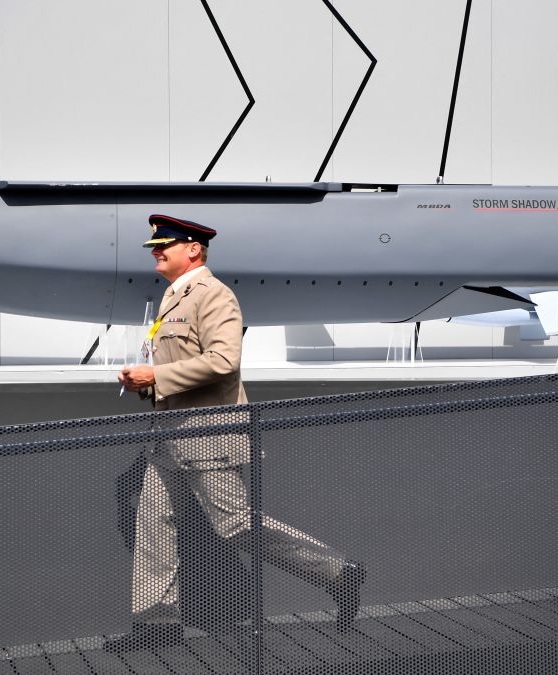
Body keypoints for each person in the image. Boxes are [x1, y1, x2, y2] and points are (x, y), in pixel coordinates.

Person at [107, 214, 365, 653]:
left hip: (209, 435)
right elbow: (176, 363)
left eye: (164, 245)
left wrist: (158, 374)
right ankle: (157, 624)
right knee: (153, 526)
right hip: (168, 436)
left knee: (235, 525)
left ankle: (337, 572)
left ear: (194, 249)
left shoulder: (214, 295)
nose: (156, 251)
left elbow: (224, 361)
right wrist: (144, 381)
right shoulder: (173, 297)